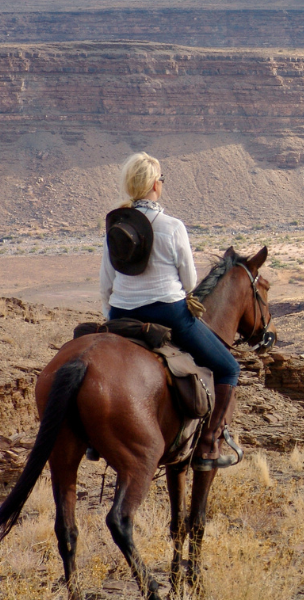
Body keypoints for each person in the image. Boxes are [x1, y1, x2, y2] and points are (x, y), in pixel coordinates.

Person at [99, 152, 242, 470]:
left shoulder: (115, 226)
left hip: (121, 315)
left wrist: (113, 315)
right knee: (229, 367)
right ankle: (208, 444)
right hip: (169, 313)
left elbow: (105, 283)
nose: (161, 183)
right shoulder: (172, 227)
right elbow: (190, 280)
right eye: (161, 179)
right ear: (153, 184)